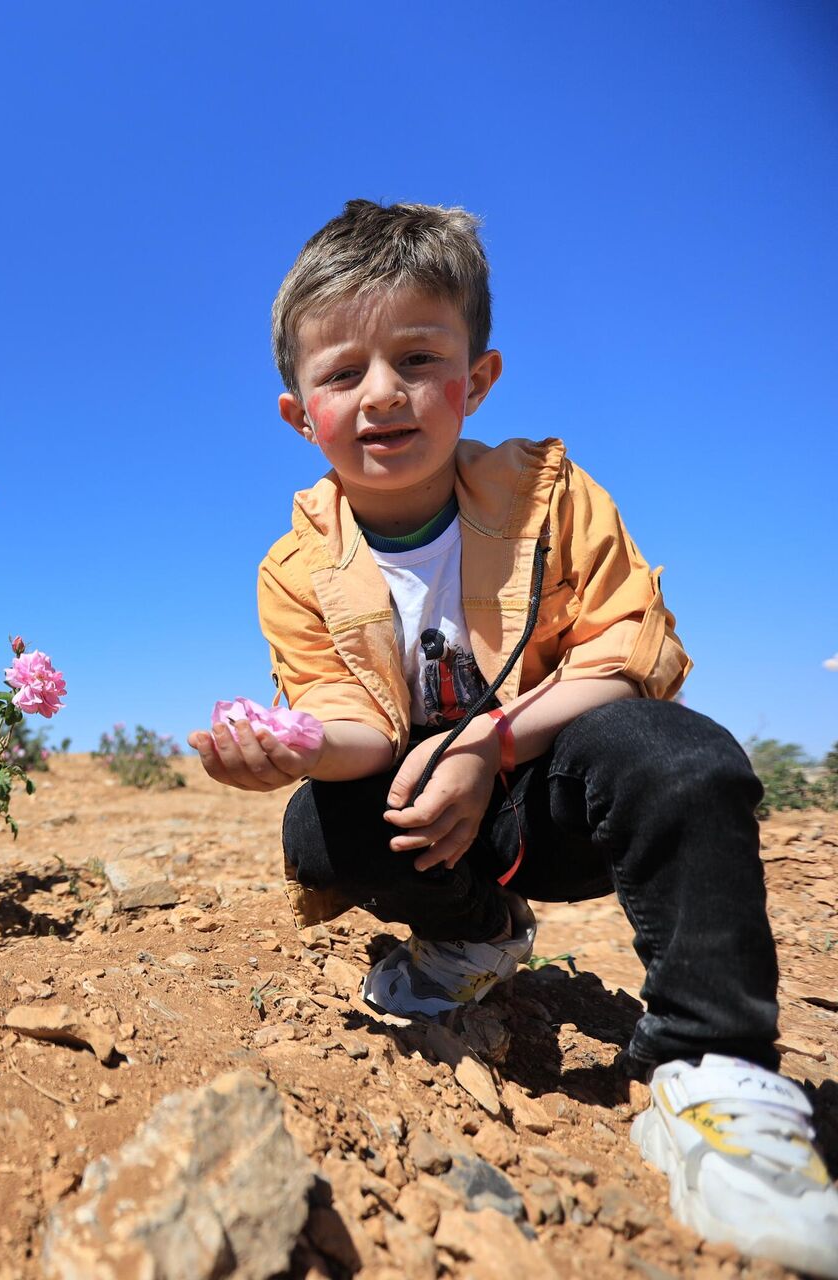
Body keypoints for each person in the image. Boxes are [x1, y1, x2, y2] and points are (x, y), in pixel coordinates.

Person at [188, 199, 837, 1275]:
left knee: (682, 754)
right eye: (342, 373)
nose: (381, 393)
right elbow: (354, 726)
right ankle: (475, 935)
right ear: (300, 412)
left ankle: (714, 1075)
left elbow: (630, 650)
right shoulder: (294, 569)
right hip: (442, 828)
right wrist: (300, 747)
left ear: (477, 378)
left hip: (559, 799)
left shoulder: (550, 491)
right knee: (321, 827)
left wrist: (490, 739)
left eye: (417, 356)